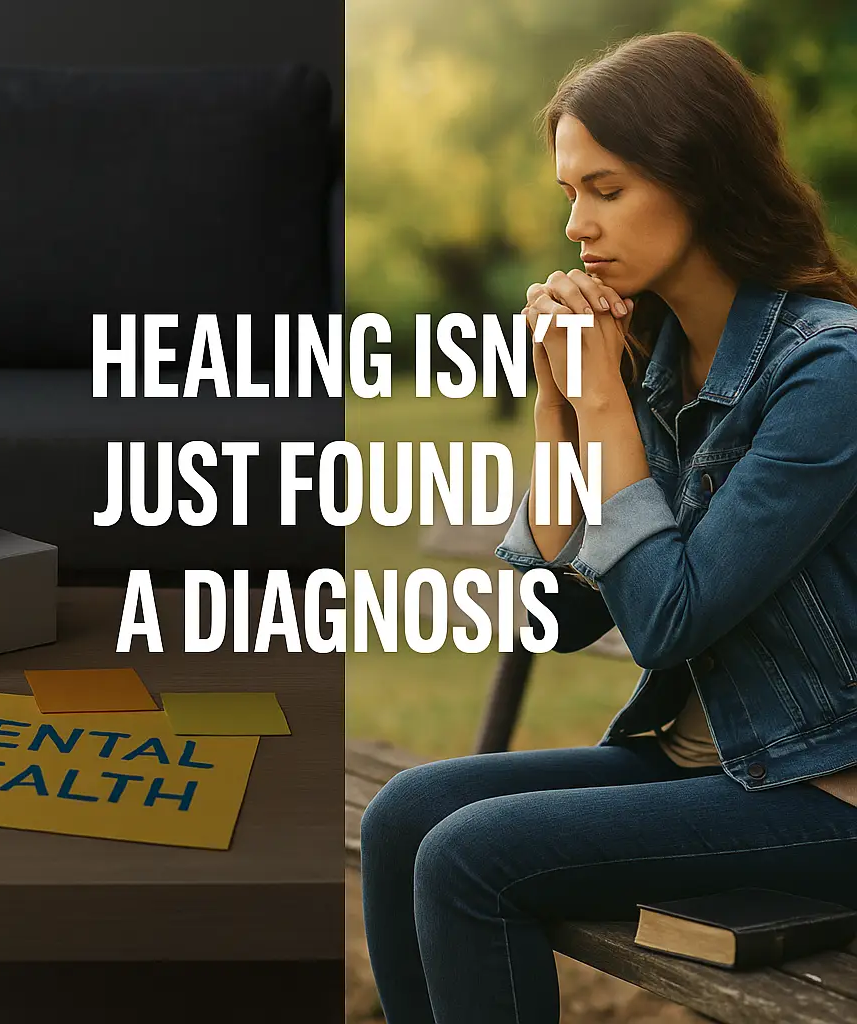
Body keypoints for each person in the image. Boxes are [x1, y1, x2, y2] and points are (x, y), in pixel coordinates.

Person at [360, 30, 857, 1024]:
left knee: (470, 858)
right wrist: (556, 407)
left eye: (606, 188)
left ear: (700, 180)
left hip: (820, 789)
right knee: (403, 815)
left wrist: (599, 407)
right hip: (704, 761)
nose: (577, 227)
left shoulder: (826, 372)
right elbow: (560, 619)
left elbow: (668, 619)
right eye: (568, 196)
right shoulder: (657, 360)